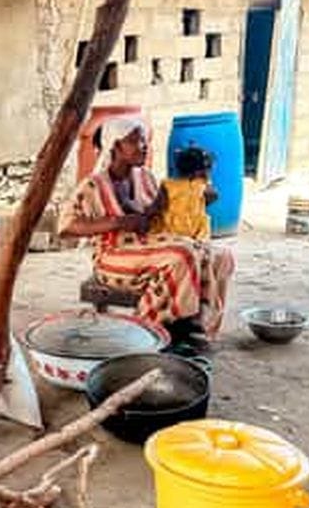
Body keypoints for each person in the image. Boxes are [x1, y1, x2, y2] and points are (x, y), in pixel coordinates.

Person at [58, 117, 234, 341]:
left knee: (220, 256)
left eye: (144, 140)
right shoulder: (93, 185)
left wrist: (197, 199)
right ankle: (149, 328)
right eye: (135, 141)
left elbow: (162, 214)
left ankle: (195, 322)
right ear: (116, 147)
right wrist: (118, 222)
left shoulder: (146, 177)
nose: (144, 146)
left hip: (151, 245)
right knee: (182, 255)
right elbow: (66, 227)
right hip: (114, 256)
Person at [148, 144, 216, 241]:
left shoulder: (167, 186)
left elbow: (156, 207)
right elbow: (214, 196)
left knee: (158, 219)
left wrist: (146, 214)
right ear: (200, 172)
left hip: (170, 233)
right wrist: (207, 182)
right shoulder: (202, 187)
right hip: (194, 234)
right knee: (205, 217)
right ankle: (200, 242)